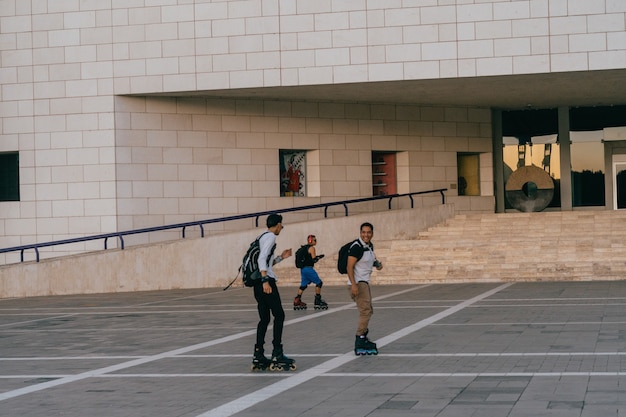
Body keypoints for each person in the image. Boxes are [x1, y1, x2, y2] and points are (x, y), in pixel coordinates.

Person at [251, 213, 296, 371]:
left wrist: (281, 258)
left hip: (257, 283)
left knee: (264, 319)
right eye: (281, 225)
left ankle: (258, 354)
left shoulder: (261, 236)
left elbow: (267, 261)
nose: (281, 228)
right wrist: (265, 281)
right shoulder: (270, 237)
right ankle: (277, 352)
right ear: (277, 224)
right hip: (265, 282)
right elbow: (261, 259)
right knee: (279, 315)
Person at [347, 222, 383, 355]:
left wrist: (378, 264)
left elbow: (370, 260)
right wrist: (354, 285)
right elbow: (349, 266)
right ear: (360, 233)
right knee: (365, 311)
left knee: (368, 310)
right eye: (363, 232)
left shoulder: (368, 246)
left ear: (372, 233)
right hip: (358, 283)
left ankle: (363, 337)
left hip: (364, 283)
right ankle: (360, 340)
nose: (366, 235)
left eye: (368, 232)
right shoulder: (356, 247)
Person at [293, 235, 327, 310]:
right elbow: (314, 260)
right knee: (319, 283)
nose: (316, 241)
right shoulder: (312, 248)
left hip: (303, 269)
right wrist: (319, 257)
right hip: (309, 269)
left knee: (303, 285)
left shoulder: (304, 248)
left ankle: (297, 300)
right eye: (315, 240)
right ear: (311, 241)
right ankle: (317, 301)